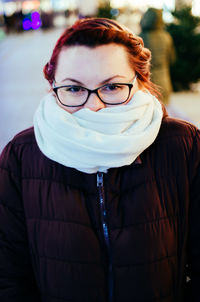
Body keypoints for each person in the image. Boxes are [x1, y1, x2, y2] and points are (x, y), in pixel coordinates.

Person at [0, 17, 199, 302]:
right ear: (54, 86)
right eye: (74, 89)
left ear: (139, 81)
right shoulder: (22, 156)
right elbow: (8, 275)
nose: (94, 106)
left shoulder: (183, 146)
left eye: (112, 87)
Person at [140, 8, 176, 105]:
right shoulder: (167, 37)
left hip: (147, 84)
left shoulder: (141, 37)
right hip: (165, 82)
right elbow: (172, 59)